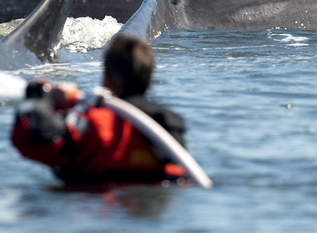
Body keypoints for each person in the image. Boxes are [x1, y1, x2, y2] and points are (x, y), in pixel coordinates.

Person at [10, 34, 187, 185]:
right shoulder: (170, 129)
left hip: (100, 214)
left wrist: (43, 98)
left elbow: (27, 137)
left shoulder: (93, 124)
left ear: (106, 80)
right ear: (149, 83)